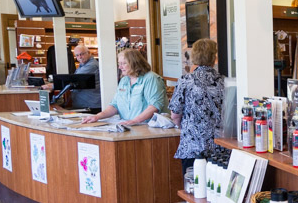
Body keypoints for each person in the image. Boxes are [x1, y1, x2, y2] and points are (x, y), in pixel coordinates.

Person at [169, 39, 225, 173]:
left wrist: (184, 127)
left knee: (193, 189)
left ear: (194, 56)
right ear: (214, 57)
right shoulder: (223, 81)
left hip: (192, 146)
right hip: (219, 147)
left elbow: (175, 114)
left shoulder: (185, 81)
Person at [81, 49, 167, 126]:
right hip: (127, 126)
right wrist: (97, 117)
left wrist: (134, 121)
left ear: (135, 63)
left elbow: (154, 107)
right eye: (119, 64)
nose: (120, 67)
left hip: (147, 126)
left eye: (123, 63)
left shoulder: (151, 79)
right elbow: (115, 106)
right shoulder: (124, 80)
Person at [42, 43, 102, 111]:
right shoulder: (83, 64)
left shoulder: (91, 65)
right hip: (84, 104)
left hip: (89, 105)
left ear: (88, 53)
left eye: (82, 54)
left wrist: (54, 85)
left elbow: (74, 80)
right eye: (77, 55)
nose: (80, 57)